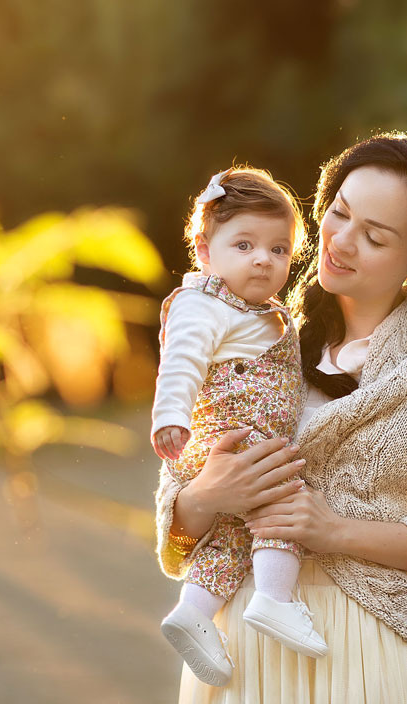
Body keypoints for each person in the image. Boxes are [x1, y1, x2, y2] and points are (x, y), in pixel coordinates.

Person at [153, 133, 407, 703]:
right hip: (237, 650)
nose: (341, 241)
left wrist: (333, 531)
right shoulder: (253, 332)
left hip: (368, 651)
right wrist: (203, 497)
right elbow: (178, 531)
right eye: (339, 213)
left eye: (373, 237)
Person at [150, 167, 328, 688]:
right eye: (244, 244)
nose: (262, 259)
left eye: (278, 250)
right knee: (282, 497)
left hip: (240, 446)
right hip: (234, 439)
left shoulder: (263, 311)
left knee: (231, 539)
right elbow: (180, 361)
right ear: (205, 252)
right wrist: (171, 417)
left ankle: (193, 613)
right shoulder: (202, 304)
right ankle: (275, 600)